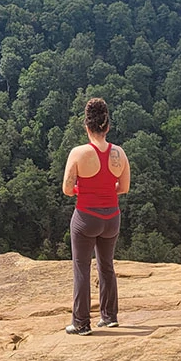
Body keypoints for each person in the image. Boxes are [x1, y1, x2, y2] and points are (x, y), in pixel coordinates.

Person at [61, 97, 130, 335]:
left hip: (85, 218)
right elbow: (124, 187)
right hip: (112, 218)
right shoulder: (119, 154)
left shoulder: (78, 153)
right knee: (107, 266)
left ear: (86, 127)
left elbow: (67, 190)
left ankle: (81, 323)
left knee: (82, 268)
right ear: (107, 126)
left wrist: (85, 189)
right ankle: (109, 316)